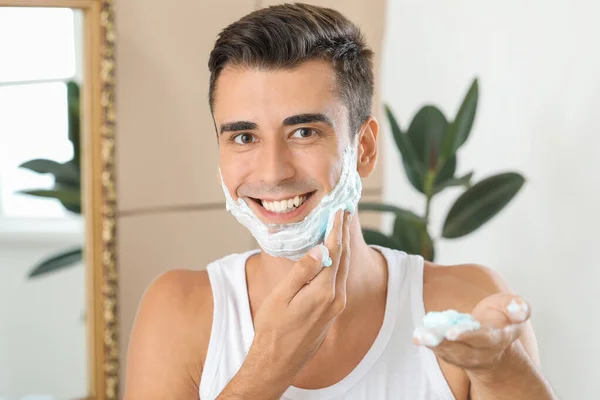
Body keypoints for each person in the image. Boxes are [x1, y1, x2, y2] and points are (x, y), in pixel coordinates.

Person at [124, 3, 557, 399]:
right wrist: (268, 366)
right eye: (244, 136)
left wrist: (502, 368)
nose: (273, 171)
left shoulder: (465, 305)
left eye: (304, 132)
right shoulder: (178, 313)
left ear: (364, 149)